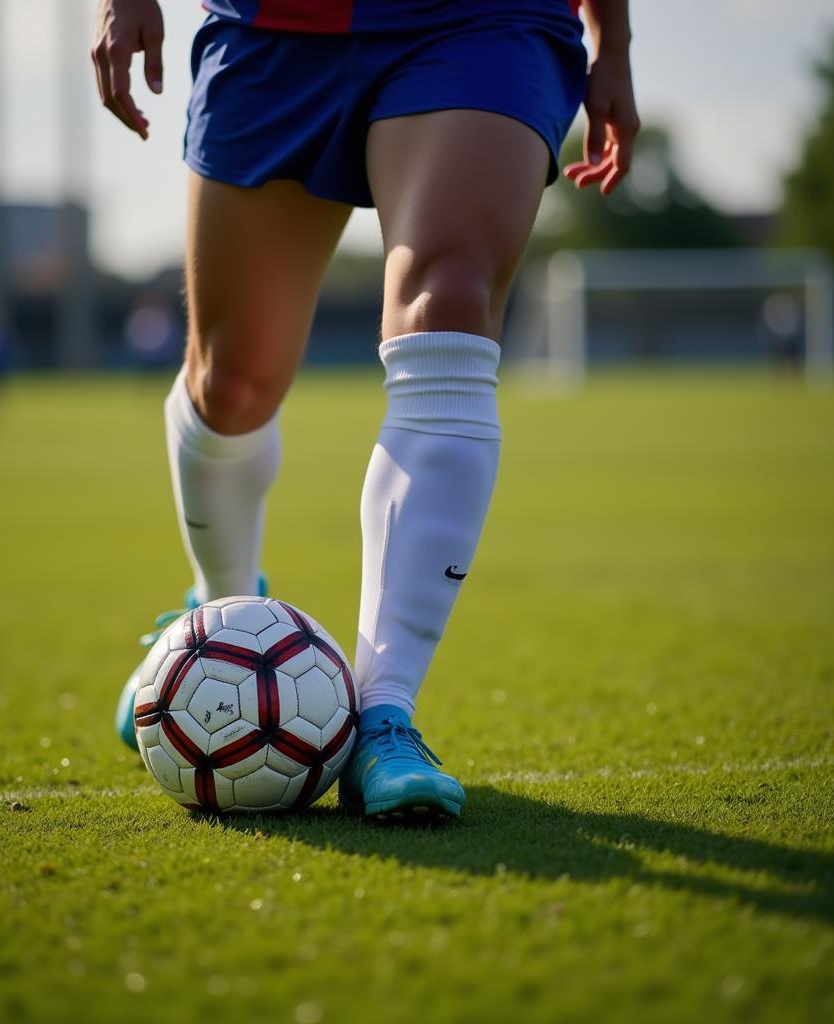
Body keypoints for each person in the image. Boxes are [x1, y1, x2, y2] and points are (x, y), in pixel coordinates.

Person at [93, 0, 639, 820]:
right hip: (274, 22)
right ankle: (220, 612)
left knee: (447, 301)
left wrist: (616, 39)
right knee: (230, 382)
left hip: (483, 20)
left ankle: (386, 715)